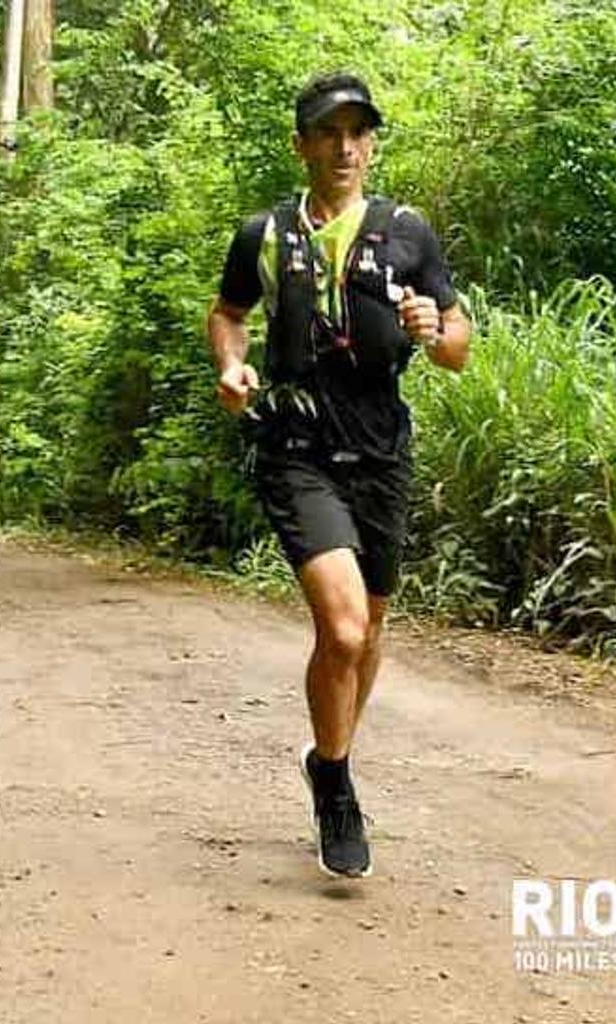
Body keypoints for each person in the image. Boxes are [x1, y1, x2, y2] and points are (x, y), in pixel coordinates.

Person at [207, 72, 471, 878]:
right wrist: (232, 367)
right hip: (297, 448)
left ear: (372, 142)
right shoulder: (264, 233)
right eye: (329, 132)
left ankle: (328, 758)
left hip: (382, 448)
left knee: (371, 631)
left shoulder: (406, 233)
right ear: (302, 145)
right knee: (345, 628)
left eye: (358, 132)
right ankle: (338, 785)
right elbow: (229, 312)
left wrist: (434, 330)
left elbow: (457, 342)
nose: (346, 147)